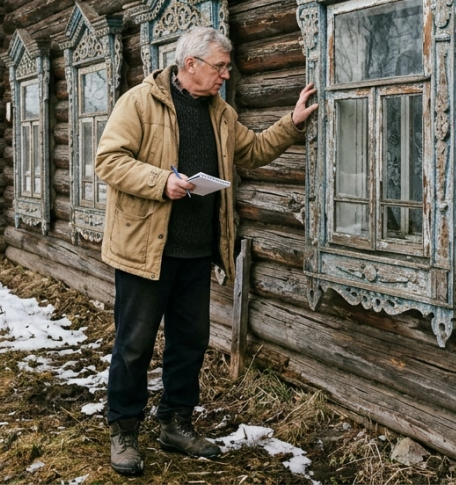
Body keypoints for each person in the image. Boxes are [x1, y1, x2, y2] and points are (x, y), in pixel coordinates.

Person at [95, 25, 317, 476]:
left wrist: (291, 124)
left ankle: (175, 423)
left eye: (227, 69)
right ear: (190, 64)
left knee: (189, 343)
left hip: (196, 251)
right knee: (134, 345)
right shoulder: (138, 102)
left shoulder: (220, 113)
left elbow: (251, 151)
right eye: (219, 67)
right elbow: (109, 161)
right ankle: (123, 430)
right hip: (145, 252)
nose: (225, 76)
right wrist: (163, 182)